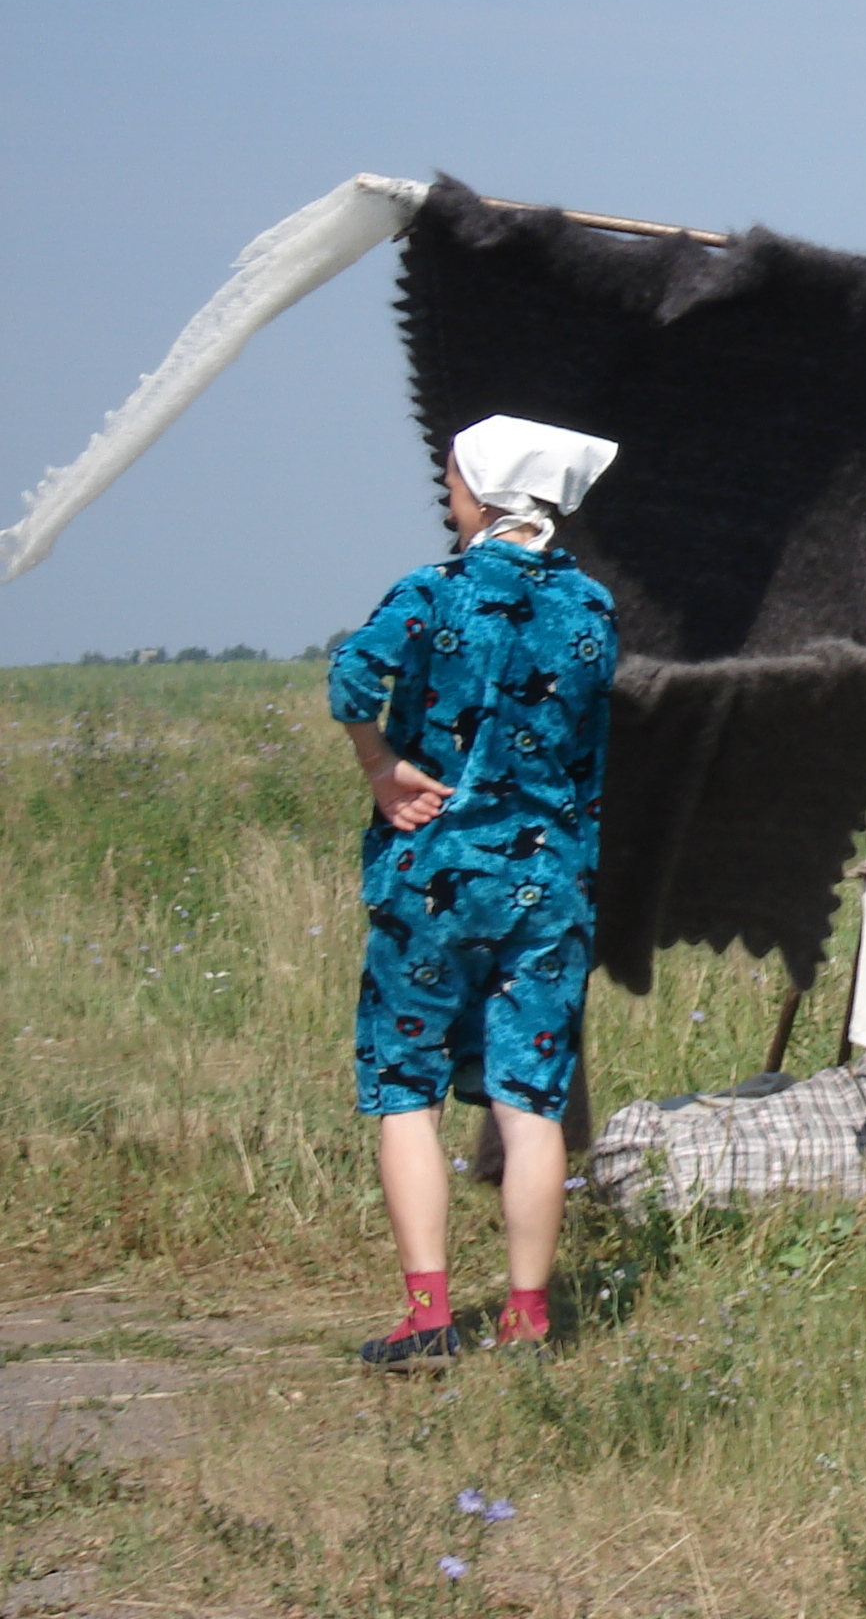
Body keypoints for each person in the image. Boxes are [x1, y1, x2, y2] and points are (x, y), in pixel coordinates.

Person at [327, 415, 619, 1371]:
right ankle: (528, 1319)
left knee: (405, 1088)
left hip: (435, 877)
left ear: (486, 494)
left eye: (451, 477)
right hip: (550, 883)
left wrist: (383, 767)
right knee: (530, 1097)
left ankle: (427, 1316)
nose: (443, 491)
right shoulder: (593, 611)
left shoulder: (429, 595)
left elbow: (348, 678)